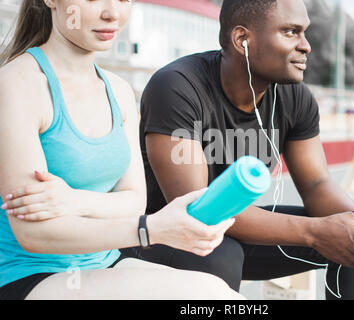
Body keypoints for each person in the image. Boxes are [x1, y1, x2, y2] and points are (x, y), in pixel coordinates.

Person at [135, 0, 354, 300]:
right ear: (243, 40)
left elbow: (317, 183)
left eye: (304, 32)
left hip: (236, 232)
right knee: (220, 254)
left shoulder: (295, 97)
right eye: (290, 32)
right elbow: (200, 209)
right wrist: (315, 232)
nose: (305, 46)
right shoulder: (177, 86)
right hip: (160, 236)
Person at [0, 0, 242, 300]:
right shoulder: (17, 84)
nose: (113, 13)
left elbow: (133, 201)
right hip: (28, 277)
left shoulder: (119, 91)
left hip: (103, 265)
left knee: (222, 293)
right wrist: (151, 229)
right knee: (208, 297)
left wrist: (72, 200)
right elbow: (34, 233)